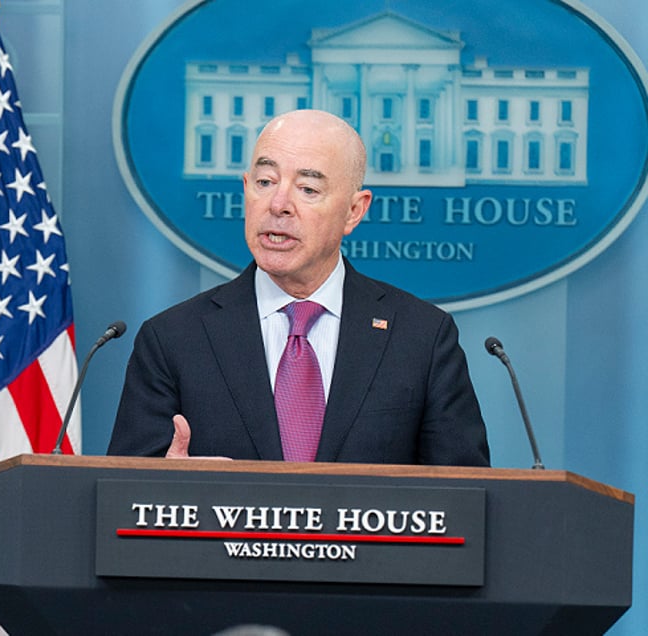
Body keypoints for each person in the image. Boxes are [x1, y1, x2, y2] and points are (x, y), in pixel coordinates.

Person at [107, 109, 490, 466]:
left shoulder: (422, 338)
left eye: (307, 188)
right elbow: (124, 503)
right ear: (246, 189)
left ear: (354, 211)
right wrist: (165, 485)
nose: (278, 204)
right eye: (265, 182)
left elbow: (464, 502)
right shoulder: (173, 339)